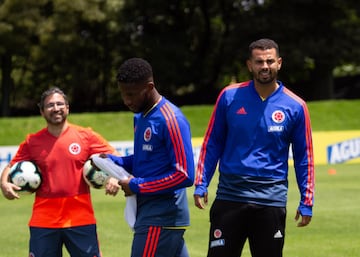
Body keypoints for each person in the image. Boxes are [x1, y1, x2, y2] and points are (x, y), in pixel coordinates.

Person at [194, 38, 315, 257]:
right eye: (259, 62)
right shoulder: (229, 96)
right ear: (250, 65)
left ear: (279, 63)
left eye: (270, 61)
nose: (265, 66)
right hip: (230, 197)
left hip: (271, 201)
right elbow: (212, 143)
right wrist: (201, 183)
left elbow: (304, 157)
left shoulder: (296, 106)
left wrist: (307, 201)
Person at [0, 87, 120, 257]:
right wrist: (4, 183)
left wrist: (114, 178)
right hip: (44, 221)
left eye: (59, 104)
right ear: (42, 111)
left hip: (81, 219)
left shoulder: (86, 136)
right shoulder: (32, 142)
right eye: (50, 105)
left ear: (67, 108)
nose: (56, 108)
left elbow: (117, 158)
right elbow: (10, 167)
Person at [103, 57, 195, 257]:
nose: (127, 101)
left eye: (131, 94)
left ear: (149, 86)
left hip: (161, 216)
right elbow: (147, 158)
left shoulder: (171, 119)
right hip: (152, 215)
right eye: (123, 94)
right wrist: (117, 161)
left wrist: (136, 185)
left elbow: (185, 175)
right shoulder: (140, 117)